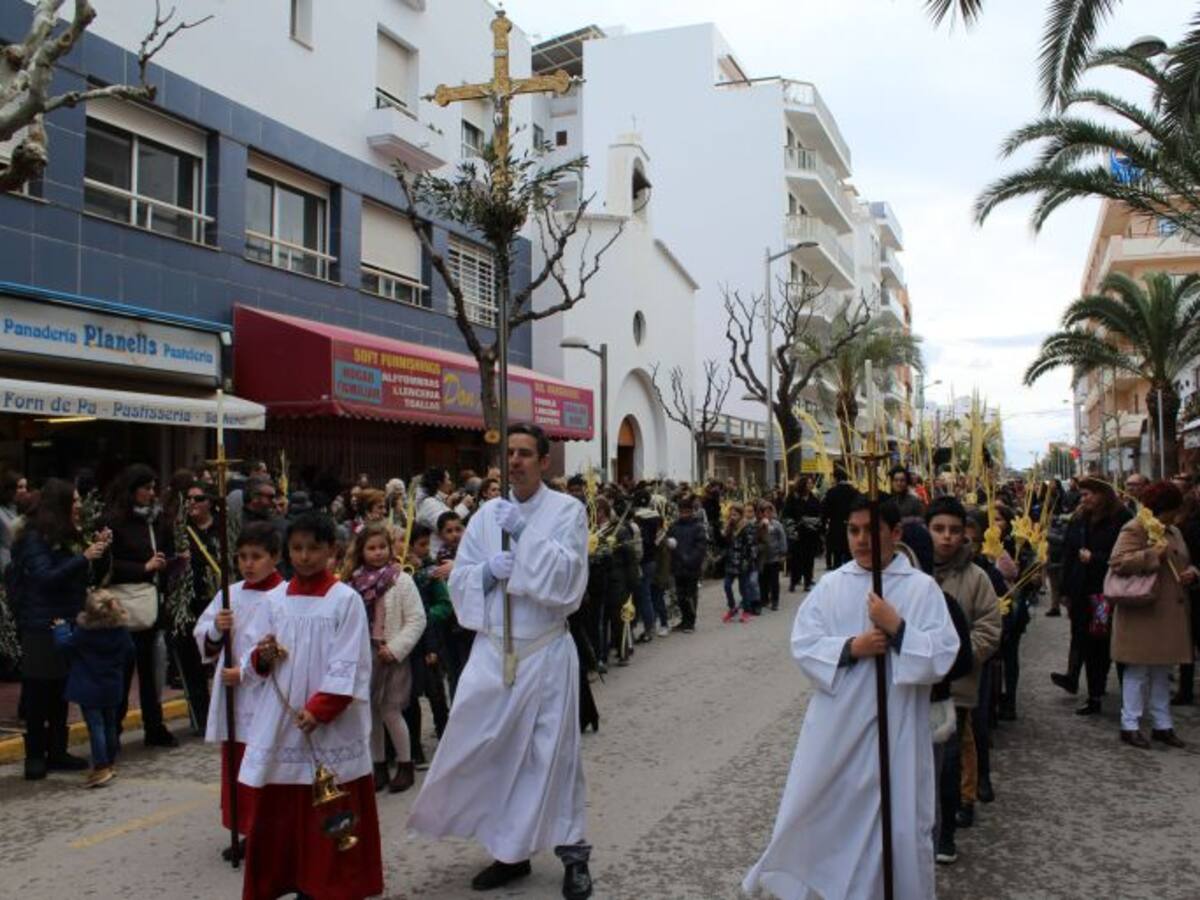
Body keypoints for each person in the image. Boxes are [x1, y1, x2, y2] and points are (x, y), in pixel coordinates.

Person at [408, 424, 593, 900]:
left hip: (545, 649)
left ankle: (573, 854)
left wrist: (525, 536)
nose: (515, 461)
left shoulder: (567, 510)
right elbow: (463, 576)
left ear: (544, 461)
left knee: (554, 755)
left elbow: (569, 581)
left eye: (526, 453)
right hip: (496, 650)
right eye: (509, 453)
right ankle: (510, 852)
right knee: (494, 750)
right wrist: (488, 573)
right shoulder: (489, 513)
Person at [743, 497, 960, 900]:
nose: (860, 541)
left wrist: (897, 628)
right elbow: (804, 644)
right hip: (839, 728)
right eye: (853, 531)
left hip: (897, 727)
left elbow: (944, 654)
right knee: (833, 820)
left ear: (894, 534)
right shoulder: (833, 584)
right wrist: (852, 646)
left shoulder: (920, 588)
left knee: (895, 827)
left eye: (870, 531)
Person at [237, 512, 383, 900]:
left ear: (331, 551)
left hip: (328, 726)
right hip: (282, 722)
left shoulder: (344, 601)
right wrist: (262, 655)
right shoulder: (273, 600)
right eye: (297, 548)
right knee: (281, 811)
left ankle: (327, 885)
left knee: (329, 809)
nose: (304, 557)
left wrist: (320, 709)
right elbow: (252, 657)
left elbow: (349, 662)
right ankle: (289, 879)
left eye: (313, 548)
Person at [192, 521, 284, 860]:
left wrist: (245, 669)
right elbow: (204, 636)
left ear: (274, 557)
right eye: (242, 556)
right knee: (237, 764)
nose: (248, 563)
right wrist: (217, 629)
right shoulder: (229, 594)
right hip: (234, 696)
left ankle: (269, 832)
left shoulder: (284, 596)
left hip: (265, 693)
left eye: (257, 556)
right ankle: (245, 829)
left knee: (266, 764)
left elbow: (281, 647)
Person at [12, 479, 111, 780]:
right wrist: (83, 557)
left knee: (61, 690)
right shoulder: (33, 539)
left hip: (68, 620)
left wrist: (99, 550)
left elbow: (85, 573)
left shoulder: (68, 536)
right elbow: (44, 578)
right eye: (75, 500)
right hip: (40, 625)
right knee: (38, 691)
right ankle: (35, 755)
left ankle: (57, 750)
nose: (79, 506)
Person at [927, 497, 1001, 828]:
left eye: (954, 530)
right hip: (919, 682)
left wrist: (958, 657)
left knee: (955, 747)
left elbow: (988, 626)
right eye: (938, 529)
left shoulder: (977, 577)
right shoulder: (913, 573)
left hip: (958, 680)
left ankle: (962, 801)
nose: (946, 537)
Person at [1108, 481, 1195, 749]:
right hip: (1143, 611)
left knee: (1161, 670)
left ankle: (1162, 724)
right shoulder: (1135, 527)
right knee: (1137, 670)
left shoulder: (1174, 531)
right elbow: (1118, 562)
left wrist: (1193, 573)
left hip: (1169, 612)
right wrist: (1150, 555)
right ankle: (1130, 724)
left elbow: (1185, 560)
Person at [344, 522, 426, 793]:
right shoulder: (354, 581)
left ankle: (405, 763)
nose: (378, 553)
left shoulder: (401, 579)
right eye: (371, 548)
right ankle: (377, 765)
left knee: (390, 709)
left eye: (382, 547)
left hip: (391, 653)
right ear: (362, 551)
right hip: (365, 653)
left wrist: (396, 647)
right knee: (370, 711)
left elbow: (416, 619)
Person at [105, 464, 179, 749]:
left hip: (153, 604)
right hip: (126, 604)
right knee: (122, 670)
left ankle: (154, 725)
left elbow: (167, 552)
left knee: (153, 670)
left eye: (153, 487)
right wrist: (143, 567)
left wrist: (172, 563)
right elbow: (107, 564)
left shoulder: (159, 521)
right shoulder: (114, 521)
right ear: (132, 490)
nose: (151, 493)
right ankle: (114, 728)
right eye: (146, 488)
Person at [1052, 477, 1132, 714]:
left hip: (1108, 592)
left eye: (1089, 494)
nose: (1084, 499)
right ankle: (1094, 695)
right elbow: (1068, 553)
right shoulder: (1079, 519)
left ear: (1103, 495)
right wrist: (1065, 590)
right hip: (1081, 591)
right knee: (1087, 643)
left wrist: (1096, 558)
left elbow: (1126, 555)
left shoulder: (1122, 518)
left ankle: (1129, 697)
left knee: (1110, 644)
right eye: (1082, 494)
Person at [51, 589, 134, 788]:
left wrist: (60, 628)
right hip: (112, 684)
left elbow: (63, 646)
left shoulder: (84, 633)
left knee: (95, 726)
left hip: (88, 686)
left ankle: (101, 765)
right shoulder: (121, 632)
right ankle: (111, 762)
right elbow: (130, 651)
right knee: (110, 724)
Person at [668, 496, 705, 633]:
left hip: (692, 567)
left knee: (690, 596)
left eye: (686, 512)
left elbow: (700, 547)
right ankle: (684, 619)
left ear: (691, 511)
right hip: (678, 566)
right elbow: (670, 541)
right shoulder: (674, 526)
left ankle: (690, 622)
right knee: (680, 595)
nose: (684, 515)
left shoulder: (698, 527)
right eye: (681, 512)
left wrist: (690, 560)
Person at [782, 476, 822, 592]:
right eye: (808, 483)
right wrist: (792, 528)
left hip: (810, 534)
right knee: (795, 559)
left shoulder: (814, 499)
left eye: (811, 483)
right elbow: (786, 514)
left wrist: (813, 524)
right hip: (797, 534)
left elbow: (818, 515)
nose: (810, 485)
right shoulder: (792, 498)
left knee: (809, 559)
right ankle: (794, 581)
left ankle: (808, 582)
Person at [722, 504, 759, 623]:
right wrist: (725, 529)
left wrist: (749, 561)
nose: (733, 517)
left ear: (740, 514)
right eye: (731, 514)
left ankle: (747, 611)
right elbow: (724, 542)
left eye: (735, 514)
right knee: (727, 585)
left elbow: (752, 545)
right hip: (731, 561)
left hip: (743, 562)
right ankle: (732, 607)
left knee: (743, 588)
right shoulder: (729, 526)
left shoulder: (747, 527)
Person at [822, 467, 859, 569]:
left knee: (837, 557)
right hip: (851, 527)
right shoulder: (854, 492)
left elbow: (825, 511)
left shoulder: (831, 492)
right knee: (850, 556)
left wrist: (823, 525)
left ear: (835, 478)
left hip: (836, 528)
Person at [758, 501, 788, 612]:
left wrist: (783, 553)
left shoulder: (777, 525)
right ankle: (764, 598)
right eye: (765, 512)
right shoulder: (759, 524)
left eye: (770, 512)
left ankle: (775, 600)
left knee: (774, 580)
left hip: (774, 557)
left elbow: (782, 538)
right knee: (763, 580)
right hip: (763, 558)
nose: (768, 514)